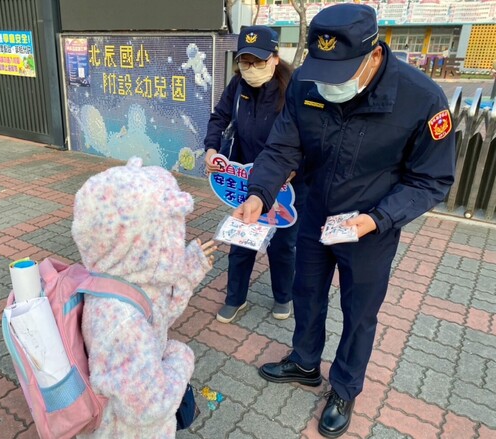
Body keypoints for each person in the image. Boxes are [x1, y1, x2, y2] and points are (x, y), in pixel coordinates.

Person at [233, 4, 455, 438]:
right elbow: (283, 147)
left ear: (373, 56)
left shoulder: (421, 99)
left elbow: (432, 180)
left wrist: (378, 219)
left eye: (341, 73)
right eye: (323, 71)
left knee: (359, 311)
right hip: (316, 211)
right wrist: (260, 193)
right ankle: (304, 361)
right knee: (307, 290)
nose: (329, 83)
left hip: (371, 224)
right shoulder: (305, 83)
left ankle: (345, 387)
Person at [72, 157, 217, 438]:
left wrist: (188, 270)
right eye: (170, 231)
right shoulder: (122, 324)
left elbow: (156, 317)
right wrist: (180, 359)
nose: (176, 238)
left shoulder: (113, 282)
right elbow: (148, 408)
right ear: (140, 242)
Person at [204, 25, 307, 323]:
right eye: (245, 62)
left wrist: (293, 169)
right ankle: (236, 298)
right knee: (241, 238)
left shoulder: (294, 90)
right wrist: (212, 149)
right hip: (246, 179)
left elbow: (309, 138)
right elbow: (218, 117)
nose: (250, 69)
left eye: (258, 62)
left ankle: (283, 296)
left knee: (284, 244)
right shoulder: (237, 87)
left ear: (275, 58)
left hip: (286, 184)